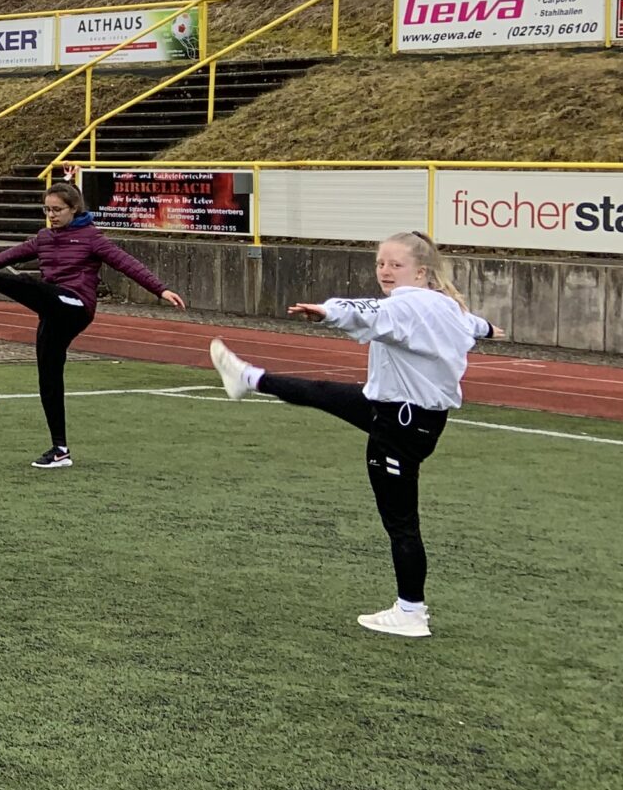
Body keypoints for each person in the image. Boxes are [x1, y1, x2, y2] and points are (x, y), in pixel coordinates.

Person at [207, 231, 496, 640]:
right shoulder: (447, 306)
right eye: (381, 263)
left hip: (400, 423)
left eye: (396, 264)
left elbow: (361, 311)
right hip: (404, 413)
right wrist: (487, 329)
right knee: (327, 393)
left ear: (422, 271)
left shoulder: (407, 307)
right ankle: (247, 377)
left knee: (402, 523)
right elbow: (474, 324)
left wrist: (326, 311)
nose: (385, 271)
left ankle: (411, 612)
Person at [0, 180, 187, 468]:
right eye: (47, 209)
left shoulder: (91, 237)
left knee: (29, 285)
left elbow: (126, 263)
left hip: (75, 305)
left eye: (57, 209)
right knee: (48, 378)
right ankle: (60, 450)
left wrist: (160, 289)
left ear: (74, 209)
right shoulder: (44, 237)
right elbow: (11, 256)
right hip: (51, 310)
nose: (52, 215)